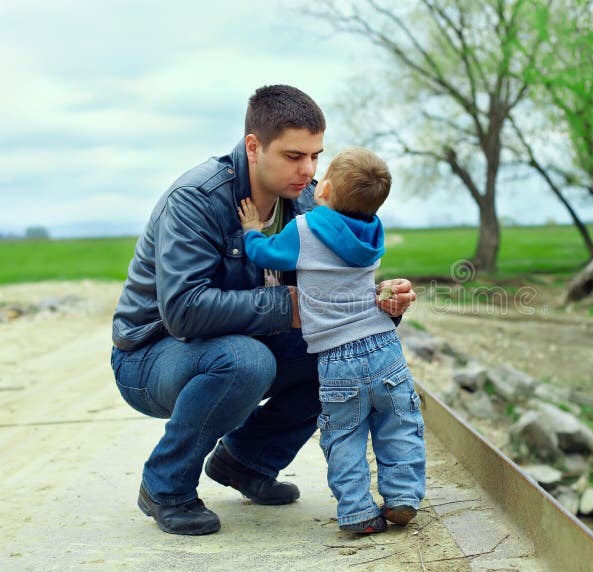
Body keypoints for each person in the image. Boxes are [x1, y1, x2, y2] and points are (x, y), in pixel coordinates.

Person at [110, 85, 416, 536]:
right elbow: (183, 310)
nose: (308, 169)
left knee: (341, 357)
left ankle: (246, 462)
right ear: (254, 147)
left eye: (315, 155)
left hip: (241, 342)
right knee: (245, 362)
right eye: (294, 156)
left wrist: (383, 303)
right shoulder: (197, 199)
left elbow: (335, 293)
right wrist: (285, 308)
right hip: (152, 355)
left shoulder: (311, 202)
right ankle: (166, 487)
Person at [237, 147, 425, 534]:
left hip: (337, 357)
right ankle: (403, 495)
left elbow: (265, 254)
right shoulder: (374, 231)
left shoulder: (304, 230)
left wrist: (252, 229)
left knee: (345, 437)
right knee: (400, 424)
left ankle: (357, 511)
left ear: (323, 191)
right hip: (383, 345)